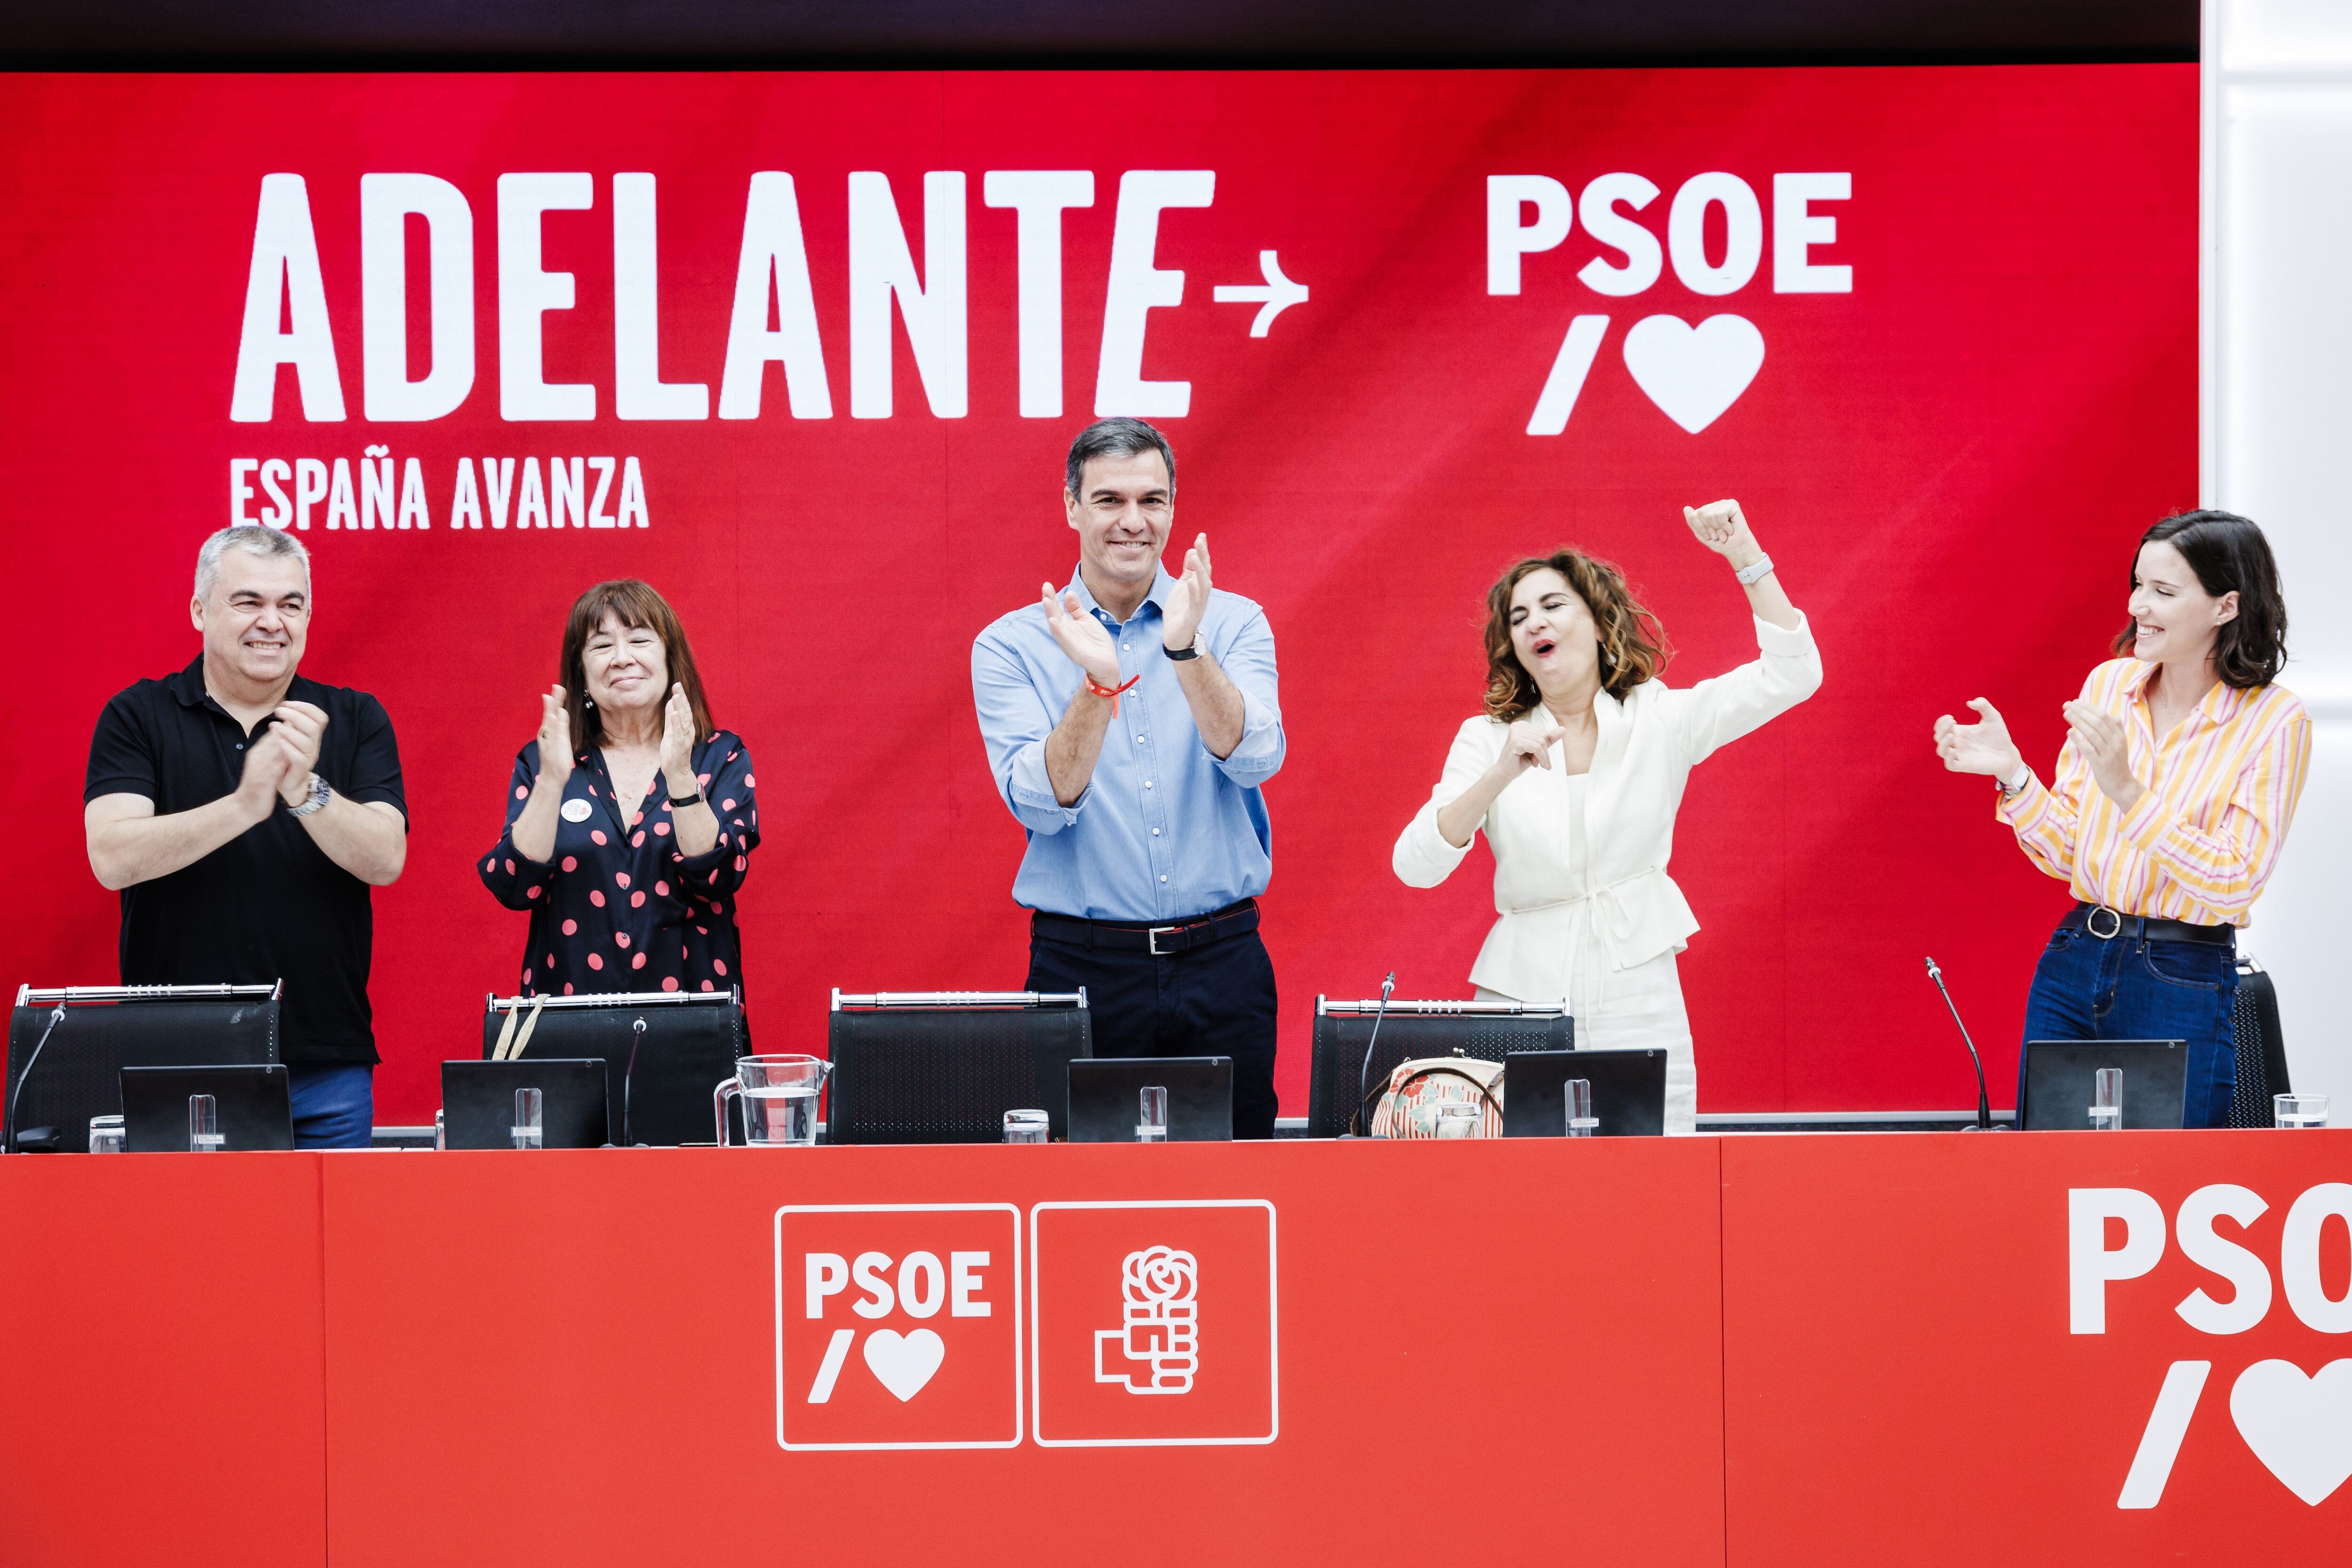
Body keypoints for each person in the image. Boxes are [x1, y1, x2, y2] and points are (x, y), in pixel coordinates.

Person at [1392, 502, 1821, 1134]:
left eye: (1552, 605)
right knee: (1519, 1170)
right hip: (1521, 990)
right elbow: (1414, 865)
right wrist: (1499, 774)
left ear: (1597, 624)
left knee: (1653, 1162)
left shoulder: (1660, 716)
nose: (1534, 621)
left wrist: (1745, 557)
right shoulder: (1486, 738)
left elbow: (1793, 674)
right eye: (1518, 617)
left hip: (1639, 983)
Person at [1932, 510, 2307, 1129]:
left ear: (2225, 606)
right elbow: (2070, 853)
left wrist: (2130, 793)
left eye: (2163, 591)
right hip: (2076, 954)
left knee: (2168, 1174)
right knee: (2046, 1166)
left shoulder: (2274, 721)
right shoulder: (2109, 686)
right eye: (2137, 585)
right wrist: (2015, 776)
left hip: (2180, 974)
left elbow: (2233, 882)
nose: (2138, 606)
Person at [971, 418, 1286, 1138]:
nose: (1134, 521)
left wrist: (1185, 649)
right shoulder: (1011, 643)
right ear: (1072, 506)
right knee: (1076, 1188)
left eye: (1152, 500)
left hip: (1222, 962)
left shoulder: (1233, 622)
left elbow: (1255, 757)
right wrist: (1098, 685)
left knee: (1238, 1180)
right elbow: (1042, 804)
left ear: (1173, 507)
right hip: (1083, 970)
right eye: (1109, 499)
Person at [83, 525, 408, 1148]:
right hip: (175, 1059)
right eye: (249, 601)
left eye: (291, 604)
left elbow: (385, 858)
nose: (272, 622)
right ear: (200, 610)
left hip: (325, 1063)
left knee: (331, 1219)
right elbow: (113, 857)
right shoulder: (138, 715)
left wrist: (303, 789)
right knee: (187, 1219)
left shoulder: (354, 716)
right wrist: (244, 805)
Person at [479, 579, 757, 1001]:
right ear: (582, 673)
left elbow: (717, 877)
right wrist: (552, 781)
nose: (622, 658)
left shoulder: (720, 756)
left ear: (670, 658)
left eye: (640, 640)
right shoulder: (544, 761)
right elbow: (516, 887)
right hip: (572, 1015)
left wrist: (680, 774)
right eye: (602, 646)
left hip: (693, 1014)